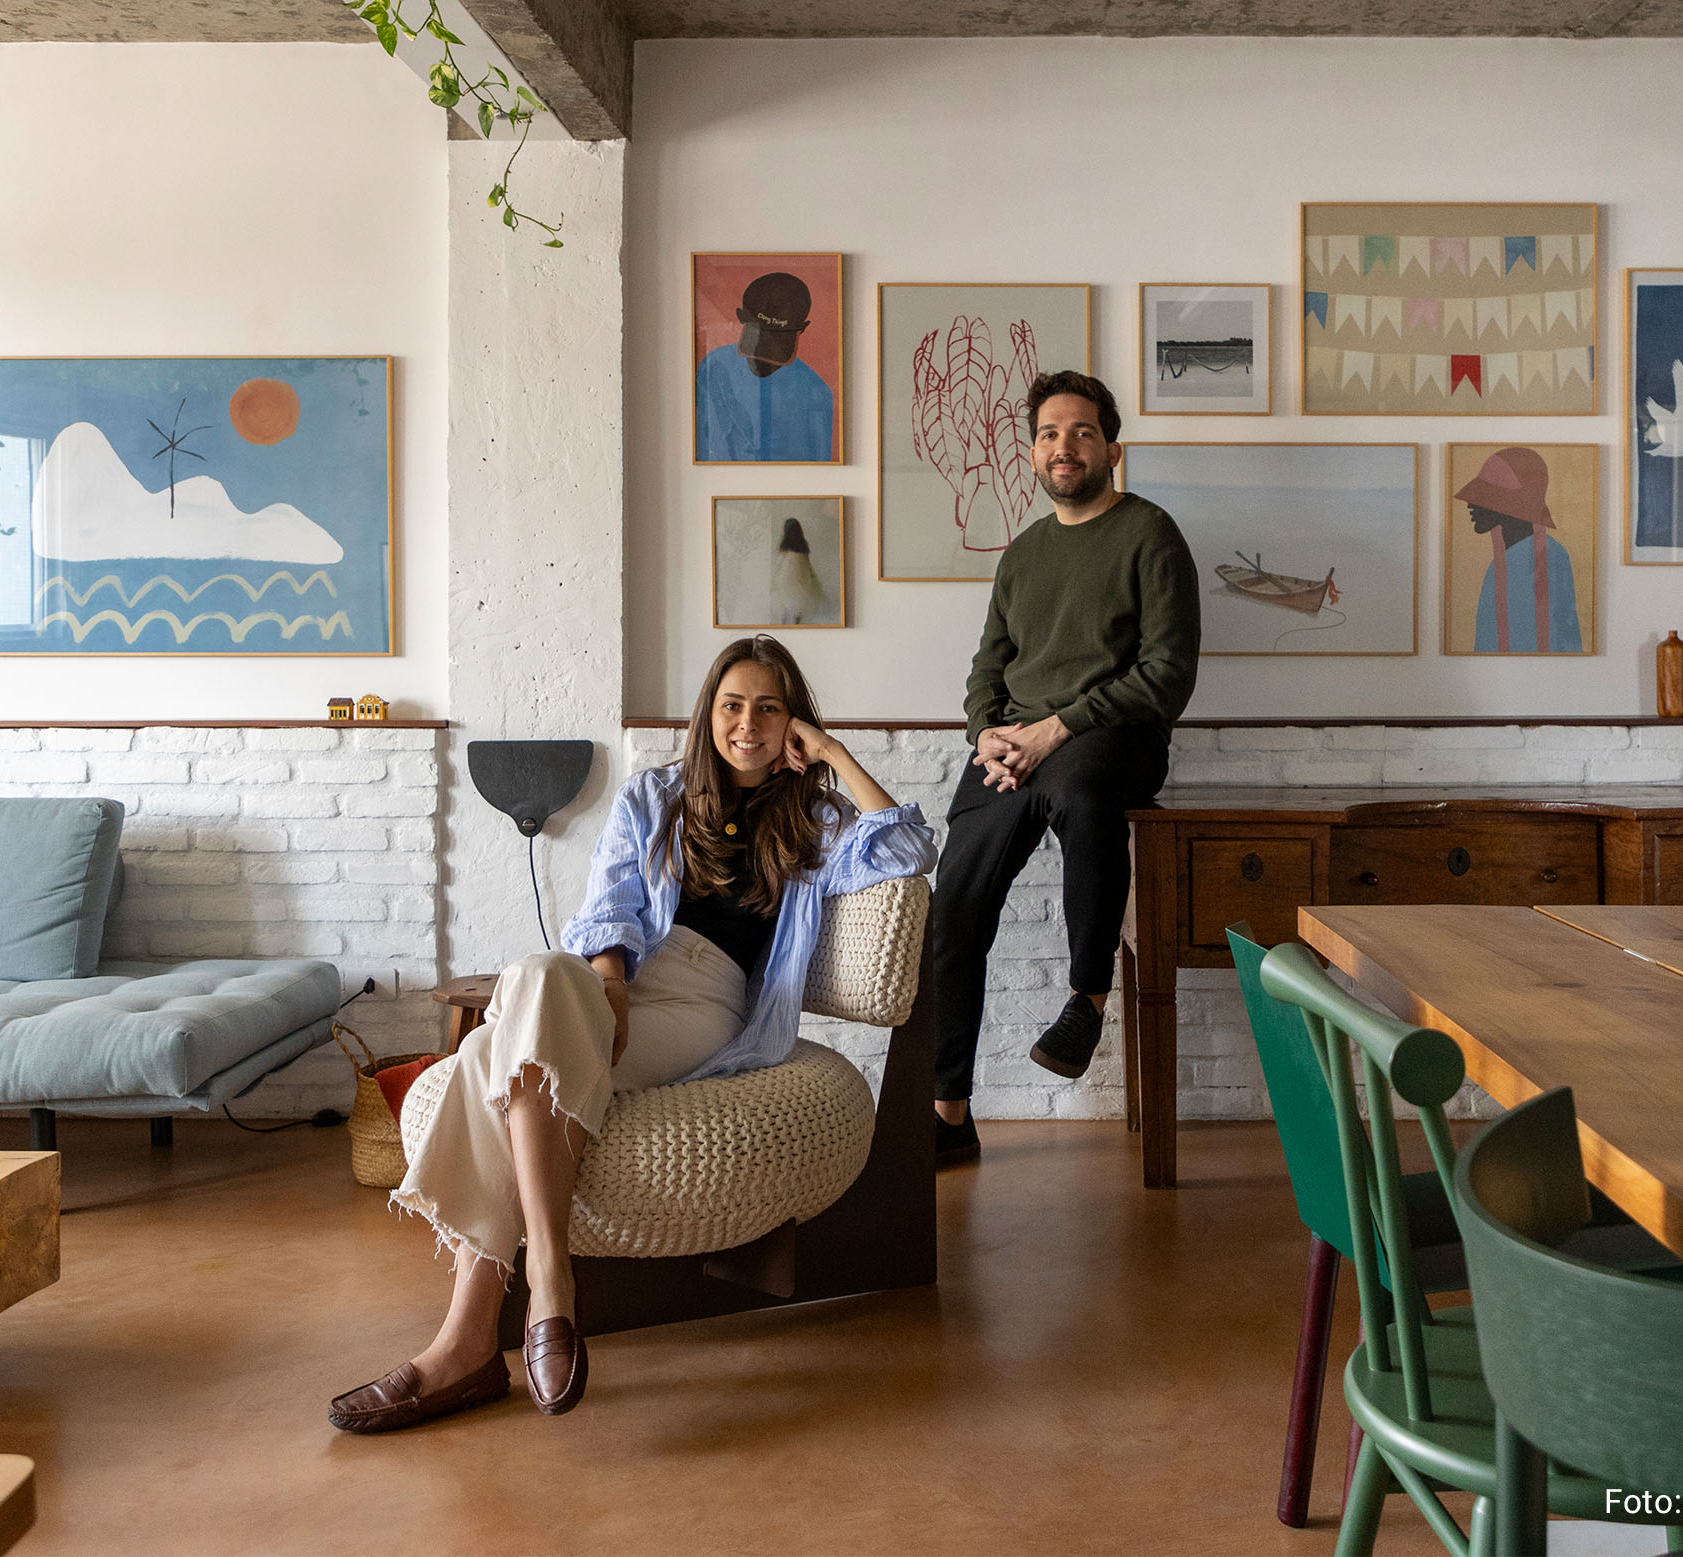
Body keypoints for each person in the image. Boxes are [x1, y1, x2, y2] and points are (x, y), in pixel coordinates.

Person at [329, 636, 933, 1433]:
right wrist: (610, 983)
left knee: (487, 1051)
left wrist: (826, 751)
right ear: (707, 712)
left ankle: (467, 1342)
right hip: (618, 984)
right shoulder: (655, 794)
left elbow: (907, 846)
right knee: (543, 973)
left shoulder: (813, 819)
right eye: (732, 704)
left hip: (704, 1003)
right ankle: (547, 1281)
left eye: (769, 707)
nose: (747, 723)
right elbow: (609, 902)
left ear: (792, 720)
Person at [924, 371, 1201, 1165]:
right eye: (1049, 433)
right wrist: (989, 735)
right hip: (1016, 749)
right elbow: (988, 669)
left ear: (1112, 447)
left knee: (1083, 795)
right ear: (1033, 454)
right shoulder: (1021, 555)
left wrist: (1056, 729)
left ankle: (1087, 998)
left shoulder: (1152, 534)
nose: (1064, 446)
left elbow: (1167, 674)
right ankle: (949, 1115)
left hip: (1113, 736)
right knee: (956, 907)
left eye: (1081, 431)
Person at [696, 271, 836, 462]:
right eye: (760, 337)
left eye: (777, 342)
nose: (764, 365)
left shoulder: (816, 392)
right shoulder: (713, 368)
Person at [1458, 447, 1582, 654]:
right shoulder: (1509, 561)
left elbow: (1559, 641)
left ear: (1511, 501)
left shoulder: (1545, 557)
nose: (1470, 503)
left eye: (1484, 494)